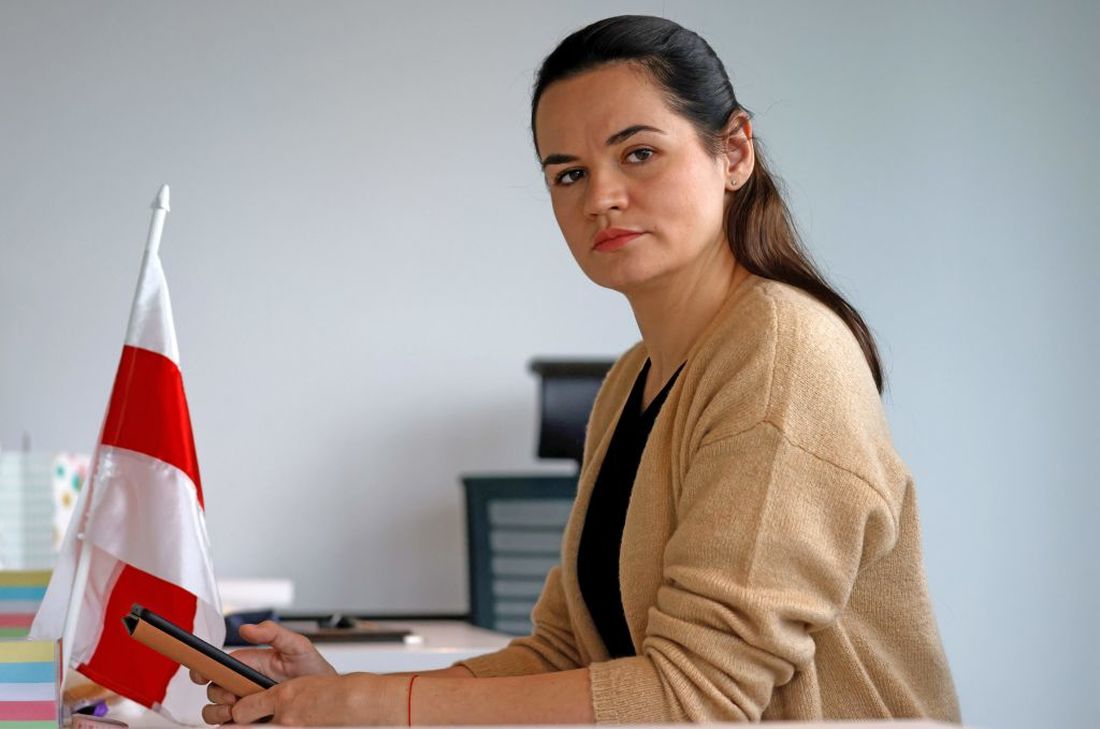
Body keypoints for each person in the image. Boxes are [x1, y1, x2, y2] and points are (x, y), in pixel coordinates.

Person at [194, 15, 960, 724]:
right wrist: (331, 688)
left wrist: (367, 705)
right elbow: (567, 654)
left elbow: (693, 699)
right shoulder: (631, 380)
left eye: (639, 153)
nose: (602, 198)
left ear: (733, 152)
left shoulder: (781, 353)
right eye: (568, 174)